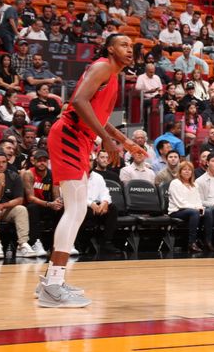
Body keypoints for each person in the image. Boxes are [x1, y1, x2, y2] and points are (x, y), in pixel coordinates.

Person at [38, 34, 145, 308]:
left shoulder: (112, 75)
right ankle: (52, 285)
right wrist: (107, 141)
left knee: (77, 210)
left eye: (131, 47)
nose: (129, 50)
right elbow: (78, 103)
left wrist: (126, 141)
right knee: (75, 210)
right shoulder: (102, 67)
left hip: (80, 138)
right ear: (110, 48)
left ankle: (52, 281)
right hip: (70, 135)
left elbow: (100, 117)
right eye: (123, 45)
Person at [167, 160, 211, 253]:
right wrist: (196, 208)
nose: (187, 171)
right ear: (180, 171)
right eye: (184, 169)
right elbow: (180, 203)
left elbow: (198, 200)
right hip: (176, 211)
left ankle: (207, 242)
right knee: (194, 212)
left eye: (189, 170)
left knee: (208, 212)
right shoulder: (175, 183)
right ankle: (192, 243)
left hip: (191, 210)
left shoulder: (195, 184)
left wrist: (201, 208)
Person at [84, 165, 121, 254]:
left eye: (90, 160)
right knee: (83, 210)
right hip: (82, 205)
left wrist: (104, 202)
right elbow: (74, 196)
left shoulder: (98, 177)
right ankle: (80, 243)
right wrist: (90, 204)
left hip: (98, 206)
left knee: (112, 208)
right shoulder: (75, 177)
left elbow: (105, 193)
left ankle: (106, 242)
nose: (89, 162)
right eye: (87, 159)